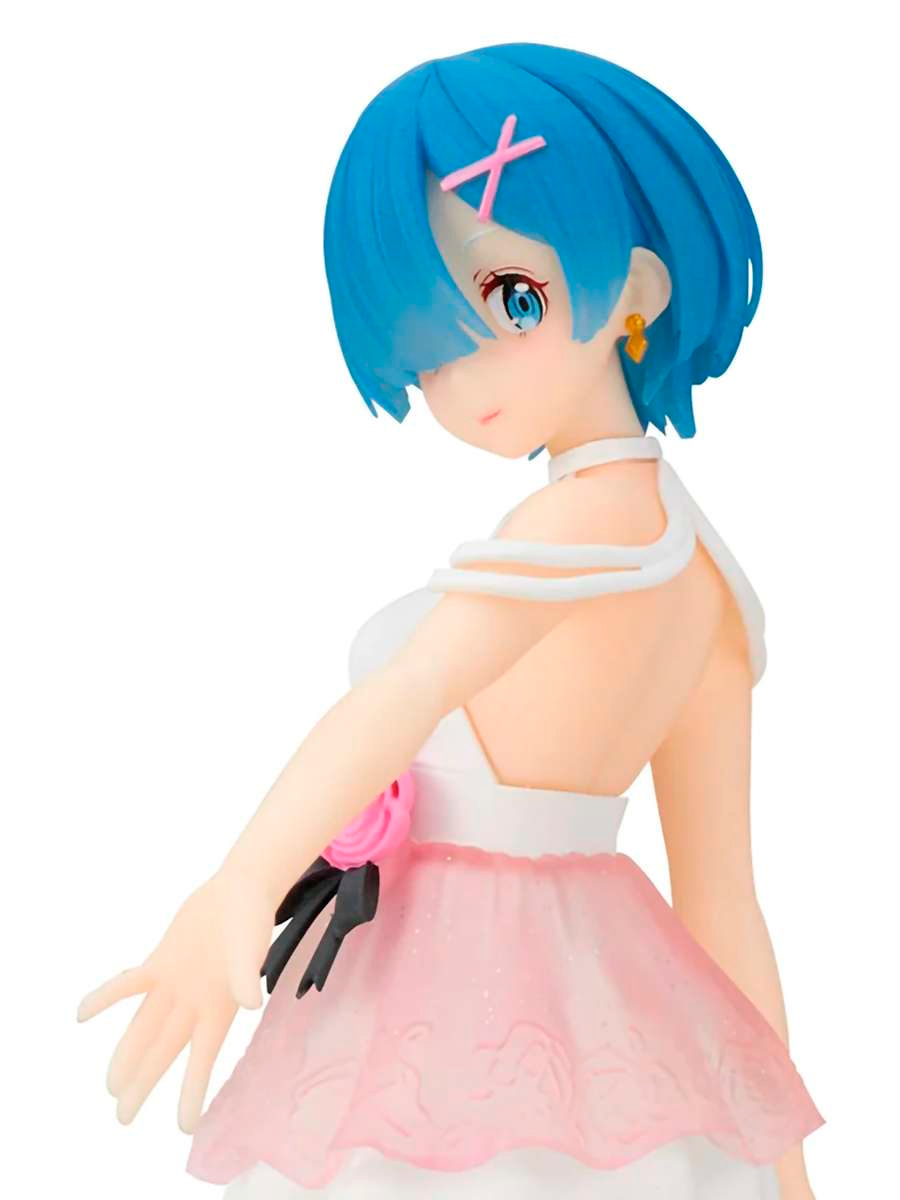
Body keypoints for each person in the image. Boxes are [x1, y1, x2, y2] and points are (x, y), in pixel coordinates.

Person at [78, 43, 823, 1199]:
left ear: (636, 287)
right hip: (563, 985)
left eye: (513, 299)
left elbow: (406, 695)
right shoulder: (705, 575)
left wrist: (236, 887)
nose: (467, 371)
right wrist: (782, 1163)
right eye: (428, 346)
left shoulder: (585, 524)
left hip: (468, 997)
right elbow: (721, 900)